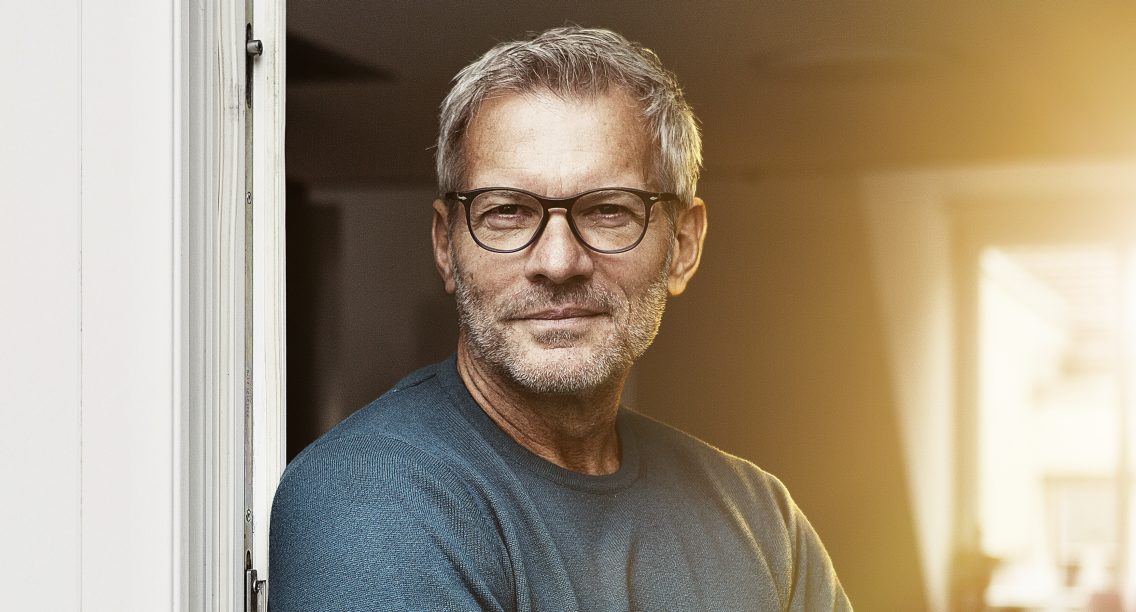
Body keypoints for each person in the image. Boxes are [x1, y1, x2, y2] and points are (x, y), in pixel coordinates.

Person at [269, 26, 853, 611]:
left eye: (606, 210)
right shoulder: (367, 493)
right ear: (447, 246)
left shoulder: (759, 518)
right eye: (507, 212)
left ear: (682, 246)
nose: (557, 262)